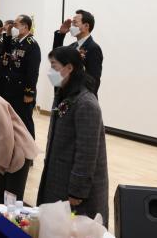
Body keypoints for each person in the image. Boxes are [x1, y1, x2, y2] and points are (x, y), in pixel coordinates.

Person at [37, 46, 108, 225]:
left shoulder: (86, 103)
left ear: (69, 68)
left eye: (54, 66)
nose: (50, 71)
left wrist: (77, 191)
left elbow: (87, 153)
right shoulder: (64, 94)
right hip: (59, 176)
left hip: (76, 190)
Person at [2, 15, 41, 138]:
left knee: (25, 122)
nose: (13, 27)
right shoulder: (15, 42)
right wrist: (8, 33)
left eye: (15, 25)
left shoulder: (32, 45)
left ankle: (29, 148)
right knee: (12, 120)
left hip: (22, 90)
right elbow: (5, 51)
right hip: (11, 88)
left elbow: (33, 71)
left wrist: (29, 92)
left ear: (25, 27)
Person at [53, 10, 103, 94]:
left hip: (81, 98)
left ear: (86, 26)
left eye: (75, 23)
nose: (71, 26)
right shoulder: (72, 46)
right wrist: (61, 34)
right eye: (72, 23)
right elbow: (56, 58)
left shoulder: (93, 48)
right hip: (66, 96)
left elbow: (94, 81)